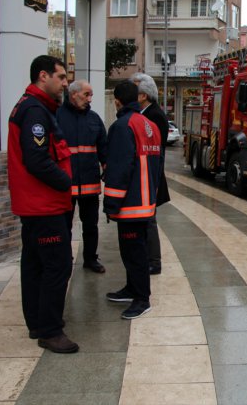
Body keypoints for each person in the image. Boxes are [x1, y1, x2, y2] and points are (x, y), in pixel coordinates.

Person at [7, 55, 79, 353]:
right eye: (61, 77)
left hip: (36, 205)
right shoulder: (35, 111)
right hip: (44, 205)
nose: (65, 83)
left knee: (35, 264)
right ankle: (49, 331)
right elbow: (36, 160)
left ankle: (37, 322)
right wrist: (66, 184)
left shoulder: (33, 107)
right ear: (42, 76)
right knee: (57, 265)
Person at [103, 80, 162, 319]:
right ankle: (132, 289)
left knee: (133, 254)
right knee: (135, 251)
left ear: (117, 101)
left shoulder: (122, 126)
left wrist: (111, 204)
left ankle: (141, 298)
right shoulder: (150, 125)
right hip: (146, 202)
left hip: (130, 204)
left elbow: (119, 169)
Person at [56, 80, 108, 274]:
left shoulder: (94, 119)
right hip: (65, 185)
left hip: (89, 185)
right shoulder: (57, 117)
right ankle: (65, 259)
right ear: (73, 94)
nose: (90, 99)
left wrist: (107, 168)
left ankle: (90, 259)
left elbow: (104, 149)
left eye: (91, 95)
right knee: (64, 226)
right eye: (86, 94)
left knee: (91, 226)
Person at [131, 73, 170, 275]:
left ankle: (154, 261)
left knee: (149, 220)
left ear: (143, 95)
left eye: (134, 90)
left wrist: (153, 182)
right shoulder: (147, 113)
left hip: (150, 178)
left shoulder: (153, 115)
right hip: (147, 178)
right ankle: (149, 258)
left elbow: (157, 154)